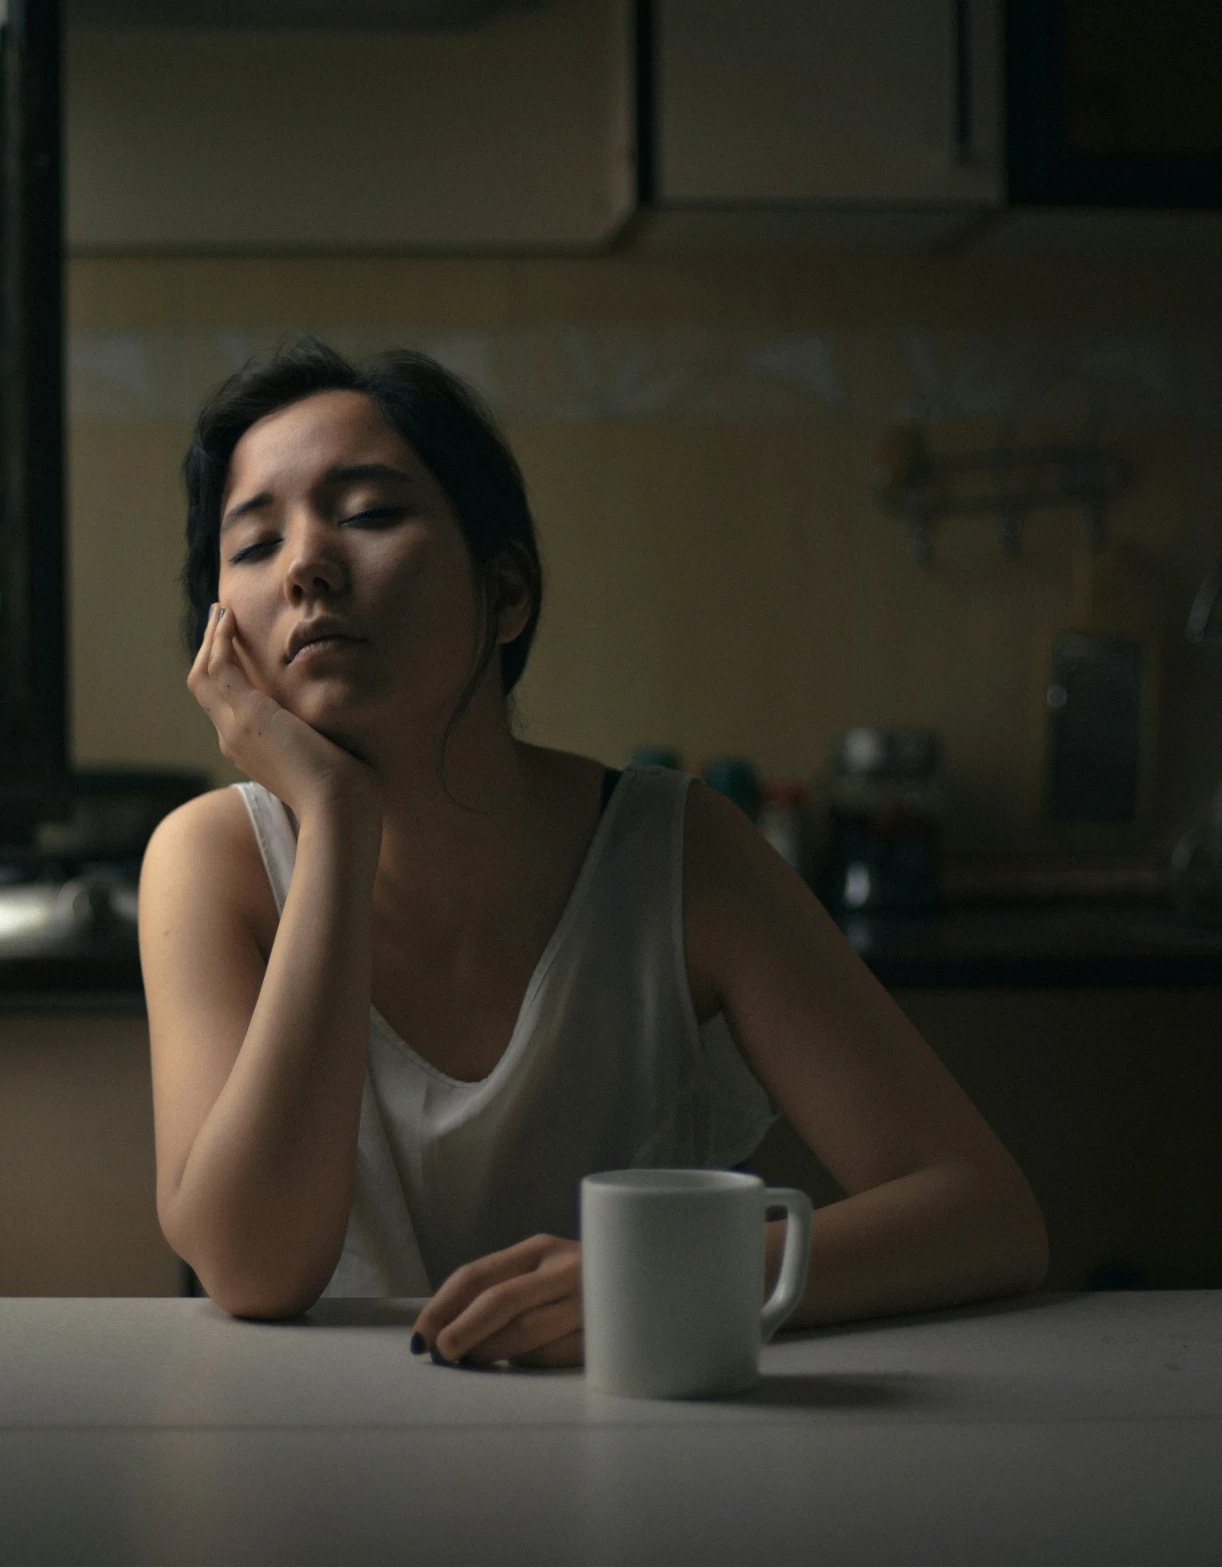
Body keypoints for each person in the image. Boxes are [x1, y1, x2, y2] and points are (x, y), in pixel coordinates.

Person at [138, 337, 1046, 1368]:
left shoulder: (680, 850)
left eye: (370, 511)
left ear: (507, 590)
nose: (305, 563)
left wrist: (663, 1279)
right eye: (253, 544)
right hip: (319, 1474)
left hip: (641, 1442)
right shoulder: (212, 859)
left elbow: (984, 1214)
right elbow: (255, 1268)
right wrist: (337, 815)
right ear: (223, 640)